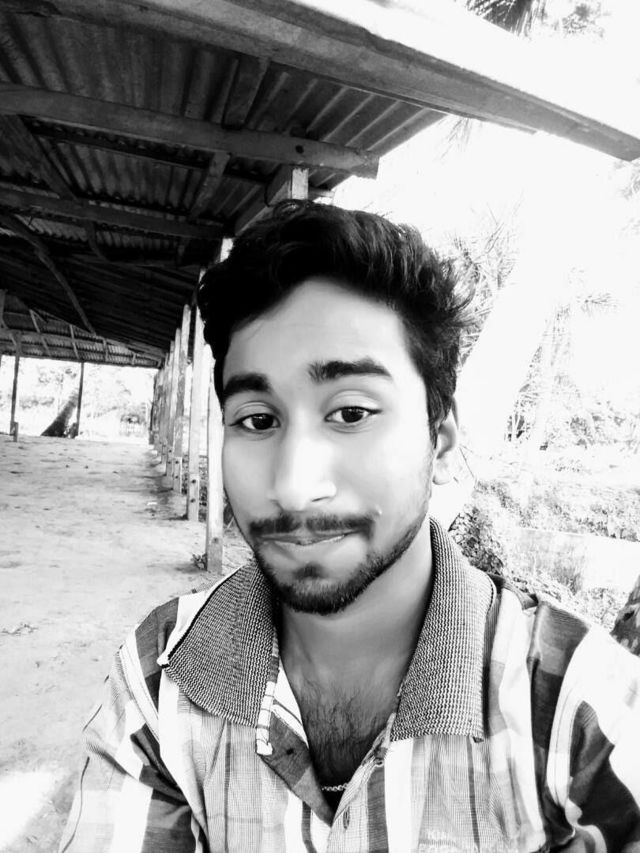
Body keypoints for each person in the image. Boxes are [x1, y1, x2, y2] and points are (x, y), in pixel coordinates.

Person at [59, 202, 640, 853]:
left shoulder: (579, 710)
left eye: (352, 412)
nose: (293, 484)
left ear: (440, 440)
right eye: (257, 419)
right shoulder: (161, 679)